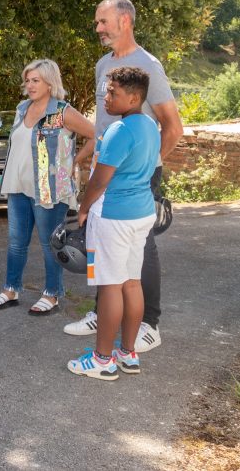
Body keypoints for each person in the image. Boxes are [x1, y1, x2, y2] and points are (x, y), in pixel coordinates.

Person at [64, 0, 183, 350]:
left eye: (103, 22)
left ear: (125, 20)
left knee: (141, 248)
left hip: (136, 178)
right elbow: (103, 122)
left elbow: (173, 127)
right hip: (107, 171)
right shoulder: (104, 64)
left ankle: (150, 324)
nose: (98, 28)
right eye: (97, 23)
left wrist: (145, 167)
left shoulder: (148, 65)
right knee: (102, 243)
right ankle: (104, 312)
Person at [67, 66, 160, 380]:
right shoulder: (149, 125)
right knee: (132, 283)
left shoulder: (121, 131)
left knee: (110, 287)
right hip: (141, 213)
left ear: (133, 98)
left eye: (113, 93)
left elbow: (99, 180)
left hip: (114, 216)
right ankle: (128, 353)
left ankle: (102, 359)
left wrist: (83, 208)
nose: (105, 98)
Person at [0, 59, 94, 315]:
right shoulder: (22, 108)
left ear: (49, 82)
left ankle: (52, 293)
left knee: (49, 244)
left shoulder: (62, 112)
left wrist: (75, 162)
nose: (30, 85)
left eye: (35, 80)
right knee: (16, 242)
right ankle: (11, 289)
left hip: (49, 191)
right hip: (18, 186)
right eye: (28, 80)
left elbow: (96, 135)